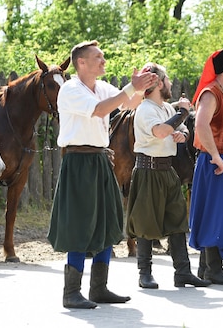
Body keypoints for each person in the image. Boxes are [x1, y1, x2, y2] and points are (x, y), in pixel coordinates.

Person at [47, 40, 158, 308]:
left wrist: (144, 88)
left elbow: (129, 103)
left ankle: (99, 288)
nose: (103, 61)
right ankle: (71, 292)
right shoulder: (71, 89)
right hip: (78, 162)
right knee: (79, 223)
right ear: (81, 62)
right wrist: (131, 88)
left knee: (108, 220)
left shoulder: (103, 87)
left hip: (100, 158)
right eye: (98, 57)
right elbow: (99, 110)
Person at [126, 62, 211, 289]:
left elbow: (178, 129)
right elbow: (161, 131)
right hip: (148, 170)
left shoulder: (166, 109)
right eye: (168, 79)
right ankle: (145, 273)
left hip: (167, 170)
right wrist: (183, 113)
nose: (171, 83)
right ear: (157, 83)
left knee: (177, 222)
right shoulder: (145, 109)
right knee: (145, 222)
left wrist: (181, 134)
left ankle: (182, 272)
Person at [188, 48, 223, 285]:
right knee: (216, 214)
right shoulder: (211, 93)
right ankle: (213, 269)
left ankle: (206, 268)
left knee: (221, 214)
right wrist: (215, 156)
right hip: (217, 160)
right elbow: (200, 124)